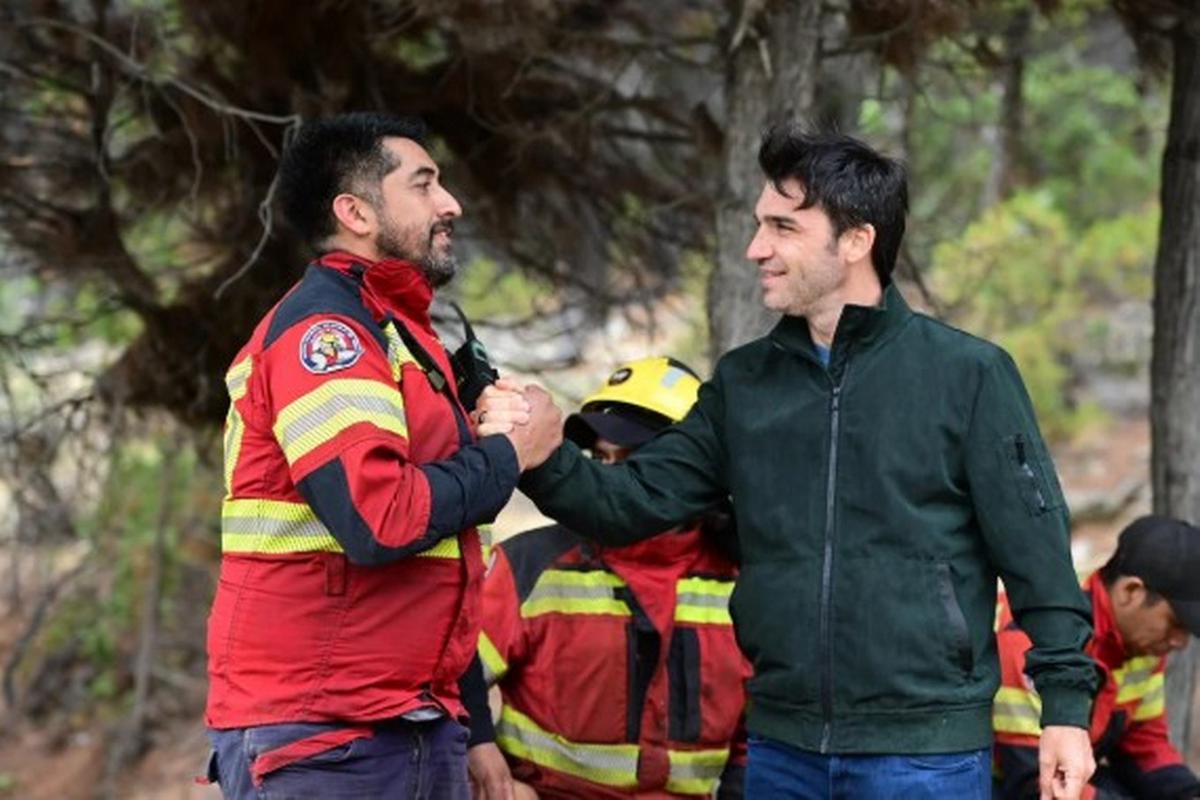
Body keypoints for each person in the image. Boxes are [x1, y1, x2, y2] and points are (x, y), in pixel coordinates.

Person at [482, 126, 1101, 799]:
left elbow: (1038, 557)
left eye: (783, 228)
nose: (757, 248)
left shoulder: (969, 375)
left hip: (923, 754)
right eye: (759, 225)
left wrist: (1066, 712)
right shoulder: (745, 384)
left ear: (856, 240)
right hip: (782, 752)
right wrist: (542, 457)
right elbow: (629, 503)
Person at [203, 112, 562, 799]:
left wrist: (473, 728)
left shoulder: (396, 331)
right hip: (326, 736)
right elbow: (380, 520)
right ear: (356, 213)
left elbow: (441, 559)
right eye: (423, 184)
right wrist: (511, 453)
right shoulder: (327, 335)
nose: (450, 203)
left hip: (409, 720)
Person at [466, 357, 751, 800]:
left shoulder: (743, 579)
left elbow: (757, 739)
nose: (606, 472)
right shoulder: (530, 563)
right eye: (599, 457)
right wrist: (478, 747)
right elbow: (450, 670)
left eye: (632, 458)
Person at [994, 516, 1200, 799]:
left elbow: (1145, 748)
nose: (1180, 641)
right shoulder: (1030, 635)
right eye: (1175, 623)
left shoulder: (1143, 647)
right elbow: (1037, 781)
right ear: (1131, 592)